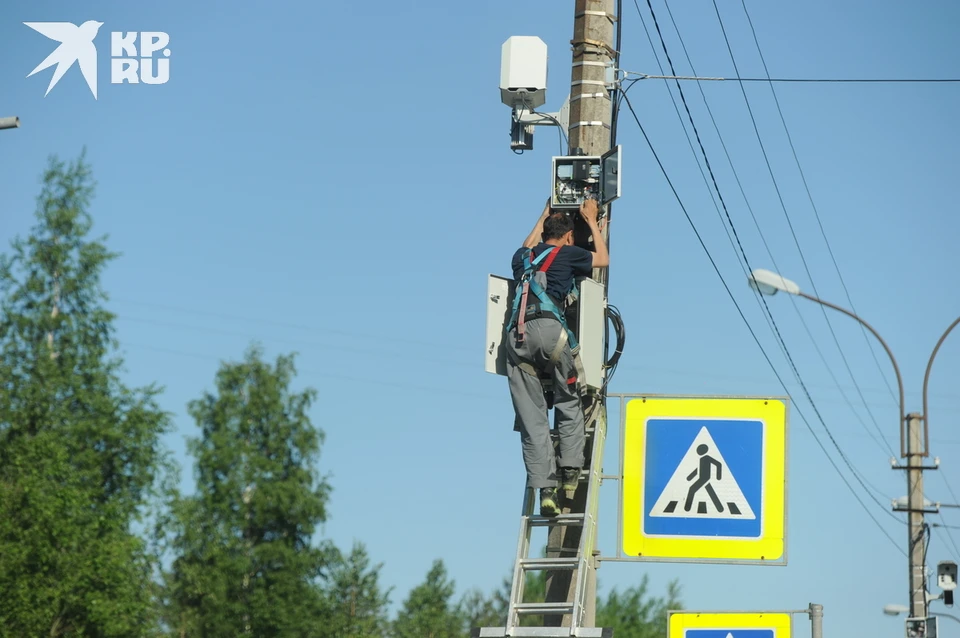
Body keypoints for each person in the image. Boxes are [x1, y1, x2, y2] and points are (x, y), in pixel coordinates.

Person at [505, 197, 609, 516]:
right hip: (552, 335)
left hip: (518, 338)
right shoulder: (569, 253)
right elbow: (602, 259)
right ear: (566, 237)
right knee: (567, 400)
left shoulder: (523, 258)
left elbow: (527, 243)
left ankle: (545, 488)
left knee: (532, 418)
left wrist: (542, 216)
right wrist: (591, 220)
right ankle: (569, 474)